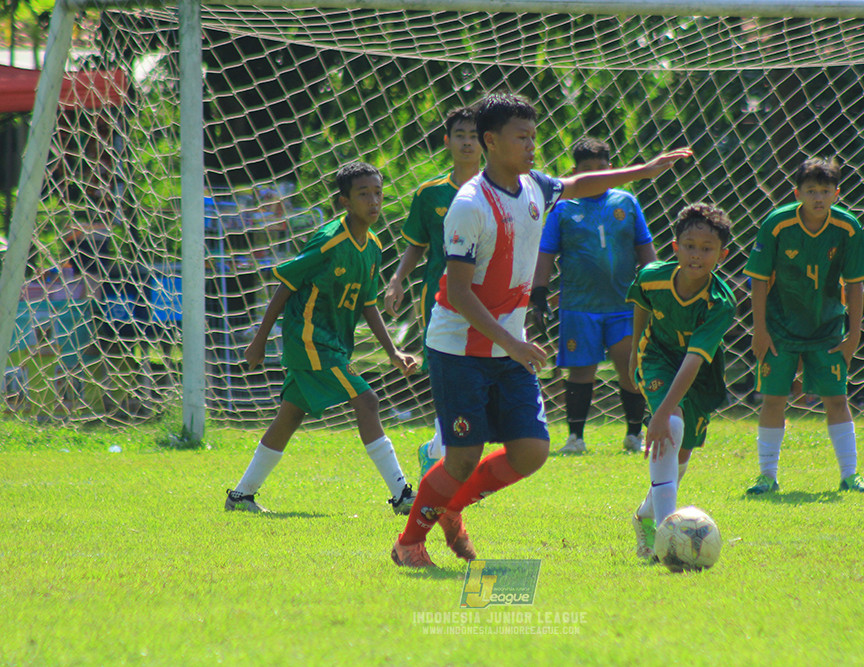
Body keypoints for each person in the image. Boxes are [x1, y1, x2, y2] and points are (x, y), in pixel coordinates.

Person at [390, 92, 693, 568]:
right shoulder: (469, 205)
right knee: (462, 457)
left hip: (508, 348)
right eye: (522, 137)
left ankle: (452, 507)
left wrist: (644, 171)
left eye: (534, 136)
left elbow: (579, 183)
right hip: (459, 348)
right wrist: (512, 342)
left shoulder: (534, 187)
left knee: (531, 451)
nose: (532, 145)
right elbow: (460, 293)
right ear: (491, 142)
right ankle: (409, 542)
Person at [226, 161, 419, 514]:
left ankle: (241, 496)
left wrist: (392, 351)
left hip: (332, 344)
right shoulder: (329, 240)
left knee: (290, 415)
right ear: (345, 201)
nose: (373, 201)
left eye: (377, 193)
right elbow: (286, 284)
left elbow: (368, 304)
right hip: (310, 340)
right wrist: (259, 340)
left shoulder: (373, 246)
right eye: (363, 194)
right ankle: (402, 494)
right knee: (368, 401)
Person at [743, 157, 864, 495]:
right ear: (797, 193)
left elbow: (856, 283)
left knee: (837, 399)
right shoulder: (777, 224)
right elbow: (758, 279)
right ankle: (767, 476)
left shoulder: (848, 227)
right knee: (773, 399)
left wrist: (854, 335)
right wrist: (760, 330)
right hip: (779, 329)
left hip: (826, 329)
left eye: (825, 191)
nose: (818, 197)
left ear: (836, 194)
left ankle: (850, 475)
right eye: (811, 190)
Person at [531, 136, 655, 455]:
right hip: (579, 307)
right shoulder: (562, 208)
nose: (597, 175)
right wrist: (539, 292)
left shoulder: (626, 202)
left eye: (602, 168)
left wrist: (654, 286)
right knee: (581, 371)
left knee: (630, 365)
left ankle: (634, 435)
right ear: (576, 172)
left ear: (610, 169)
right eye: (588, 170)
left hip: (623, 305)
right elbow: (546, 252)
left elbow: (644, 246)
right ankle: (575, 438)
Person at [627, 203, 736, 560]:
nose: (696, 255)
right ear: (675, 247)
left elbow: (693, 359)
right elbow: (642, 303)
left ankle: (646, 514)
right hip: (656, 357)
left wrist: (661, 415)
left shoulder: (720, 302)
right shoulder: (652, 277)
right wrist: (634, 354)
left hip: (697, 373)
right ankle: (666, 540)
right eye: (689, 246)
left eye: (707, 248)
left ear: (722, 254)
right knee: (671, 428)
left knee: (681, 451)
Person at [384, 107, 482, 479]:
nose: (467, 142)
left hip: (488, 296)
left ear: (486, 142)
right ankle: (445, 454)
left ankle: (437, 450)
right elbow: (417, 245)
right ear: (447, 141)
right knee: (448, 371)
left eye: (474, 135)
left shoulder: (498, 190)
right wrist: (397, 279)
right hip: (440, 299)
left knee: (479, 375)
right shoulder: (430, 193)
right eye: (460, 135)